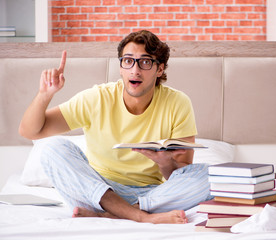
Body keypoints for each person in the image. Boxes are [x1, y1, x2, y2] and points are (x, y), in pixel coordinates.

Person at [18, 30, 212, 224]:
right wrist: (45, 95)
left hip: (151, 196)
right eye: (128, 61)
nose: (135, 70)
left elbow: (181, 173)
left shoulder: (177, 102)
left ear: (159, 69)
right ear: (121, 67)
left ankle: (115, 215)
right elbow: (30, 131)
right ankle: (140, 217)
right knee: (50, 148)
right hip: (97, 192)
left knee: (211, 177)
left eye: (145, 62)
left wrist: (165, 162)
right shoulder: (97, 98)